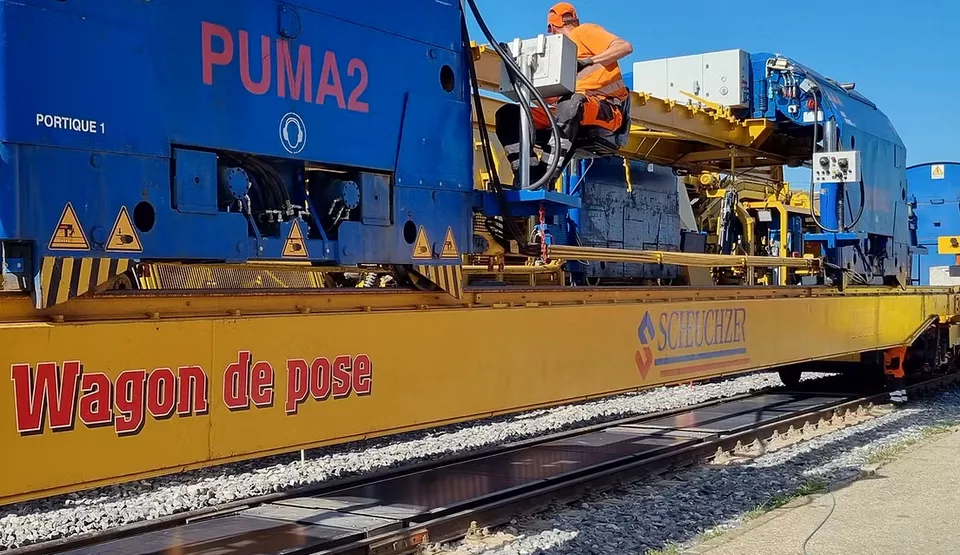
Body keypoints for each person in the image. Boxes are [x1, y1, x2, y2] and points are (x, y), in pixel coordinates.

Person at [495, 2, 634, 187]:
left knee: (571, 104)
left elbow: (624, 47)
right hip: (568, 112)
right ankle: (527, 173)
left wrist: (588, 61)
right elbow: (552, 99)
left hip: (606, 111)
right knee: (508, 115)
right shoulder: (556, 57)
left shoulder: (583, 32)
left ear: (551, 28)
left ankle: (546, 174)